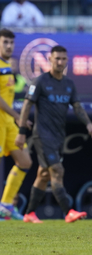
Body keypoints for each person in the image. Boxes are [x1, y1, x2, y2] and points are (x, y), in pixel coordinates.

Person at [15, 45, 92, 223]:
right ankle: (68, 212)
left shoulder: (69, 84)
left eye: (63, 59)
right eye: (56, 58)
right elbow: (27, 105)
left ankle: (29, 213)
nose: (60, 62)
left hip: (58, 136)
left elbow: (77, 106)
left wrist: (88, 123)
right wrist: (21, 132)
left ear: (67, 61)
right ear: (50, 60)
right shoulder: (40, 81)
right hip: (41, 135)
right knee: (57, 171)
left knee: (43, 174)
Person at [0, 28, 32, 220]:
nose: (9, 46)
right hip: (4, 119)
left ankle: (5, 205)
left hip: (9, 121)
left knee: (25, 161)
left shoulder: (7, 66)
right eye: (5, 42)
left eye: (11, 43)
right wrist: (18, 117)